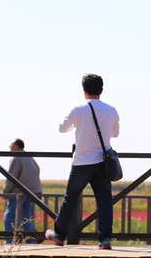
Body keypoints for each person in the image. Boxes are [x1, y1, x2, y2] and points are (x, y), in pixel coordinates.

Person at [45, 74, 119, 249]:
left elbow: (62, 128)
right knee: (104, 201)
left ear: (84, 90)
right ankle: (105, 239)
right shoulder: (111, 111)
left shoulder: (78, 109)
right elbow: (115, 134)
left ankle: (59, 235)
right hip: (102, 162)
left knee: (70, 199)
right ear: (101, 90)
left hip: (81, 163)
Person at [3, 138, 42, 243]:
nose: (9, 146)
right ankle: (29, 240)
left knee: (10, 215)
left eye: (11, 144)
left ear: (16, 146)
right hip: (32, 192)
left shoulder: (16, 157)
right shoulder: (29, 157)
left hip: (18, 192)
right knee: (26, 216)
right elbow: (37, 170)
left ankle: (9, 240)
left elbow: (11, 177)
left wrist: (6, 191)